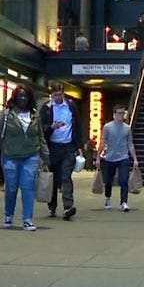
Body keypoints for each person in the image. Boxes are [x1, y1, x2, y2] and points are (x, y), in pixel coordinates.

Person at [0, 85, 49, 231]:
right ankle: (8, 215)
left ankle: (27, 219)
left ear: (29, 98)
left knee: (27, 186)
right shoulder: (6, 115)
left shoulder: (35, 115)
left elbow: (40, 136)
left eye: (25, 96)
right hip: (10, 155)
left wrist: (45, 156)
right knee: (11, 187)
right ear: (15, 97)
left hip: (31, 155)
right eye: (20, 96)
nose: (22, 98)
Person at [39, 82, 84, 221]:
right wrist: (51, 127)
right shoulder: (46, 108)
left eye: (60, 94)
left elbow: (77, 126)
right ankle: (52, 205)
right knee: (53, 178)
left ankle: (68, 206)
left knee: (65, 177)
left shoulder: (71, 107)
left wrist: (79, 147)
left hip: (68, 148)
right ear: (51, 94)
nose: (58, 97)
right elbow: (40, 129)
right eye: (55, 95)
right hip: (52, 147)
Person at [99, 104, 139, 212]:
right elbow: (103, 142)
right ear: (114, 114)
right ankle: (108, 198)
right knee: (108, 181)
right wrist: (98, 157)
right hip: (110, 158)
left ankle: (124, 202)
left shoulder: (127, 128)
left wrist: (135, 158)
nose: (121, 116)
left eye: (123, 113)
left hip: (123, 157)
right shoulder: (107, 127)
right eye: (119, 113)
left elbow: (130, 144)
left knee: (123, 180)